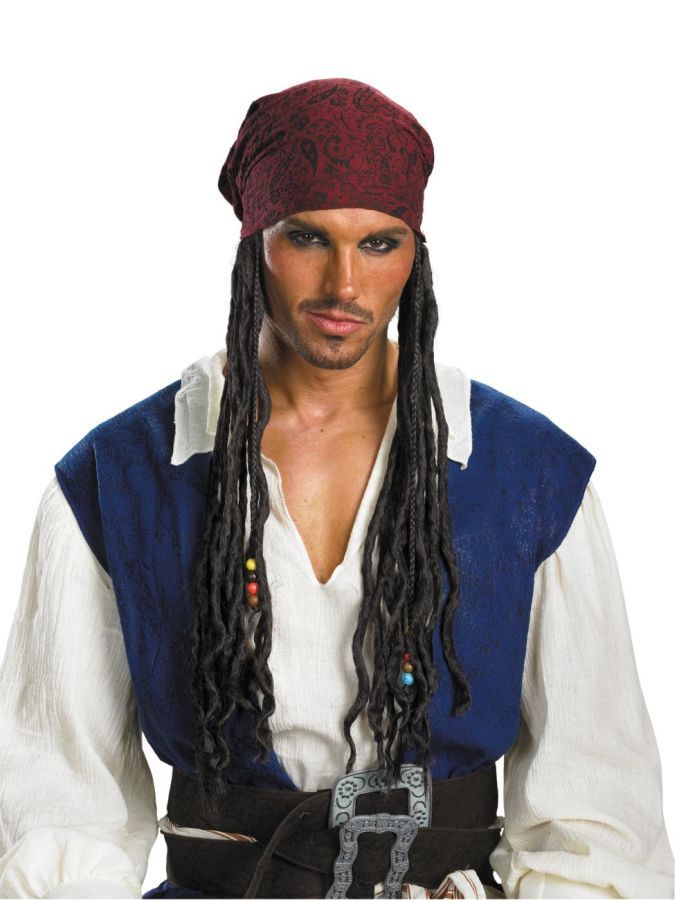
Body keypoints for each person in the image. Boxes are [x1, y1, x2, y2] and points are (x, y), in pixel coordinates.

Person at [0, 77, 672, 900]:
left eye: (380, 244)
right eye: (307, 237)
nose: (344, 285)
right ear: (254, 244)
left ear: (414, 255)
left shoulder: (528, 474)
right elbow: (63, 808)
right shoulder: (118, 478)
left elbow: (593, 821)